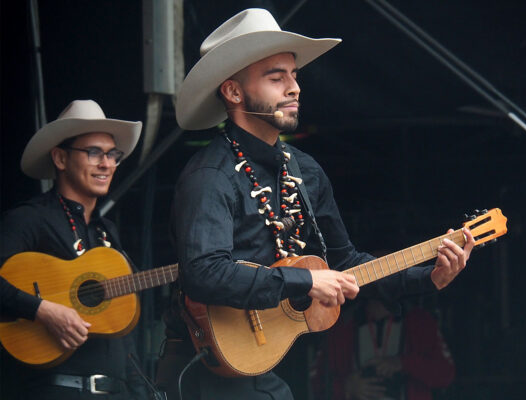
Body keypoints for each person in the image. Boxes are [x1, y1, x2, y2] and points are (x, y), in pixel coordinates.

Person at [155, 8, 474, 400]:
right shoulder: (210, 175)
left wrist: (427, 278)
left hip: (262, 370)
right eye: (276, 77)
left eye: (294, 75)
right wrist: (305, 280)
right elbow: (203, 273)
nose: (294, 88)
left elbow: (345, 264)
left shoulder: (305, 171)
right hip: (203, 373)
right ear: (233, 92)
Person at [0, 99, 149, 399]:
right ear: (60, 158)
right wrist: (41, 310)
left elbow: (122, 335)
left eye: (112, 154)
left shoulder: (107, 232)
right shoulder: (30, 219)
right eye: (93, 152)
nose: (106, 164)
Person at [311, 297, 455, 400]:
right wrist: (346, 387)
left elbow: (446, 374)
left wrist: (403, 363)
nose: (384, 282)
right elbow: (314, 382)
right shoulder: (342, 325)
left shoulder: (420, 321)